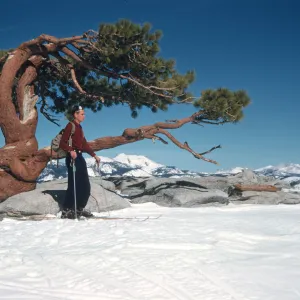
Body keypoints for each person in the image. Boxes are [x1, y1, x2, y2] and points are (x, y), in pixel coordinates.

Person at [59, 105, 101, 219]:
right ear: (75, 115)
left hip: (80, 157)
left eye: (84, 114)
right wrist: (70, 150)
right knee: (74, 185)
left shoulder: (80, 128)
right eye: (82, 114)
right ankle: (67, 211)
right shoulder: (70, 126)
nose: (84, 116)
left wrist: (94, 155)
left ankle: (79, 209)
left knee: (85, 185)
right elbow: (62, 143)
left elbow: (84, 144)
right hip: (72, 157)